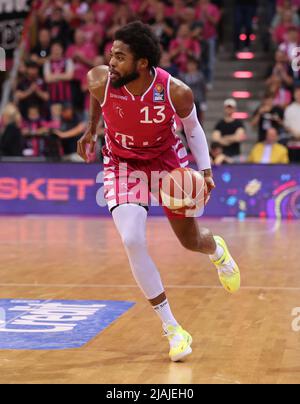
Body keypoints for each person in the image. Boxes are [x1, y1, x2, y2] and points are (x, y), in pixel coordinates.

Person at [77, 21, 240, 363]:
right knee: (133, 240)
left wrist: (206, 171)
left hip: (167, 163)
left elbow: (193, 130)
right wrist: (92, 130)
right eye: (111, 54)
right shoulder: (100, 80)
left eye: (120, 57)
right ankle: (173, 329)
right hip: (122, 165)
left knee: (190, 240)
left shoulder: (175, 90)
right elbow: (97, 97)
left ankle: (217, 251)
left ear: (141, 64)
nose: (111, 62)